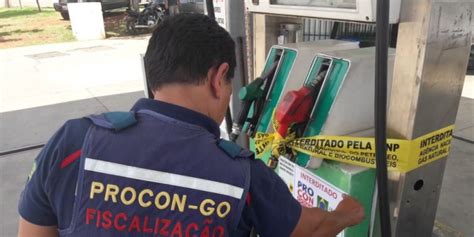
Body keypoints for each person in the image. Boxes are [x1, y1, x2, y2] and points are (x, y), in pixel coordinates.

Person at [17, 14, 364, 237]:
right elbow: (311, 229)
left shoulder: (73, 142)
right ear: (218, 77)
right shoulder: (243, 175)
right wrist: (348, 212)